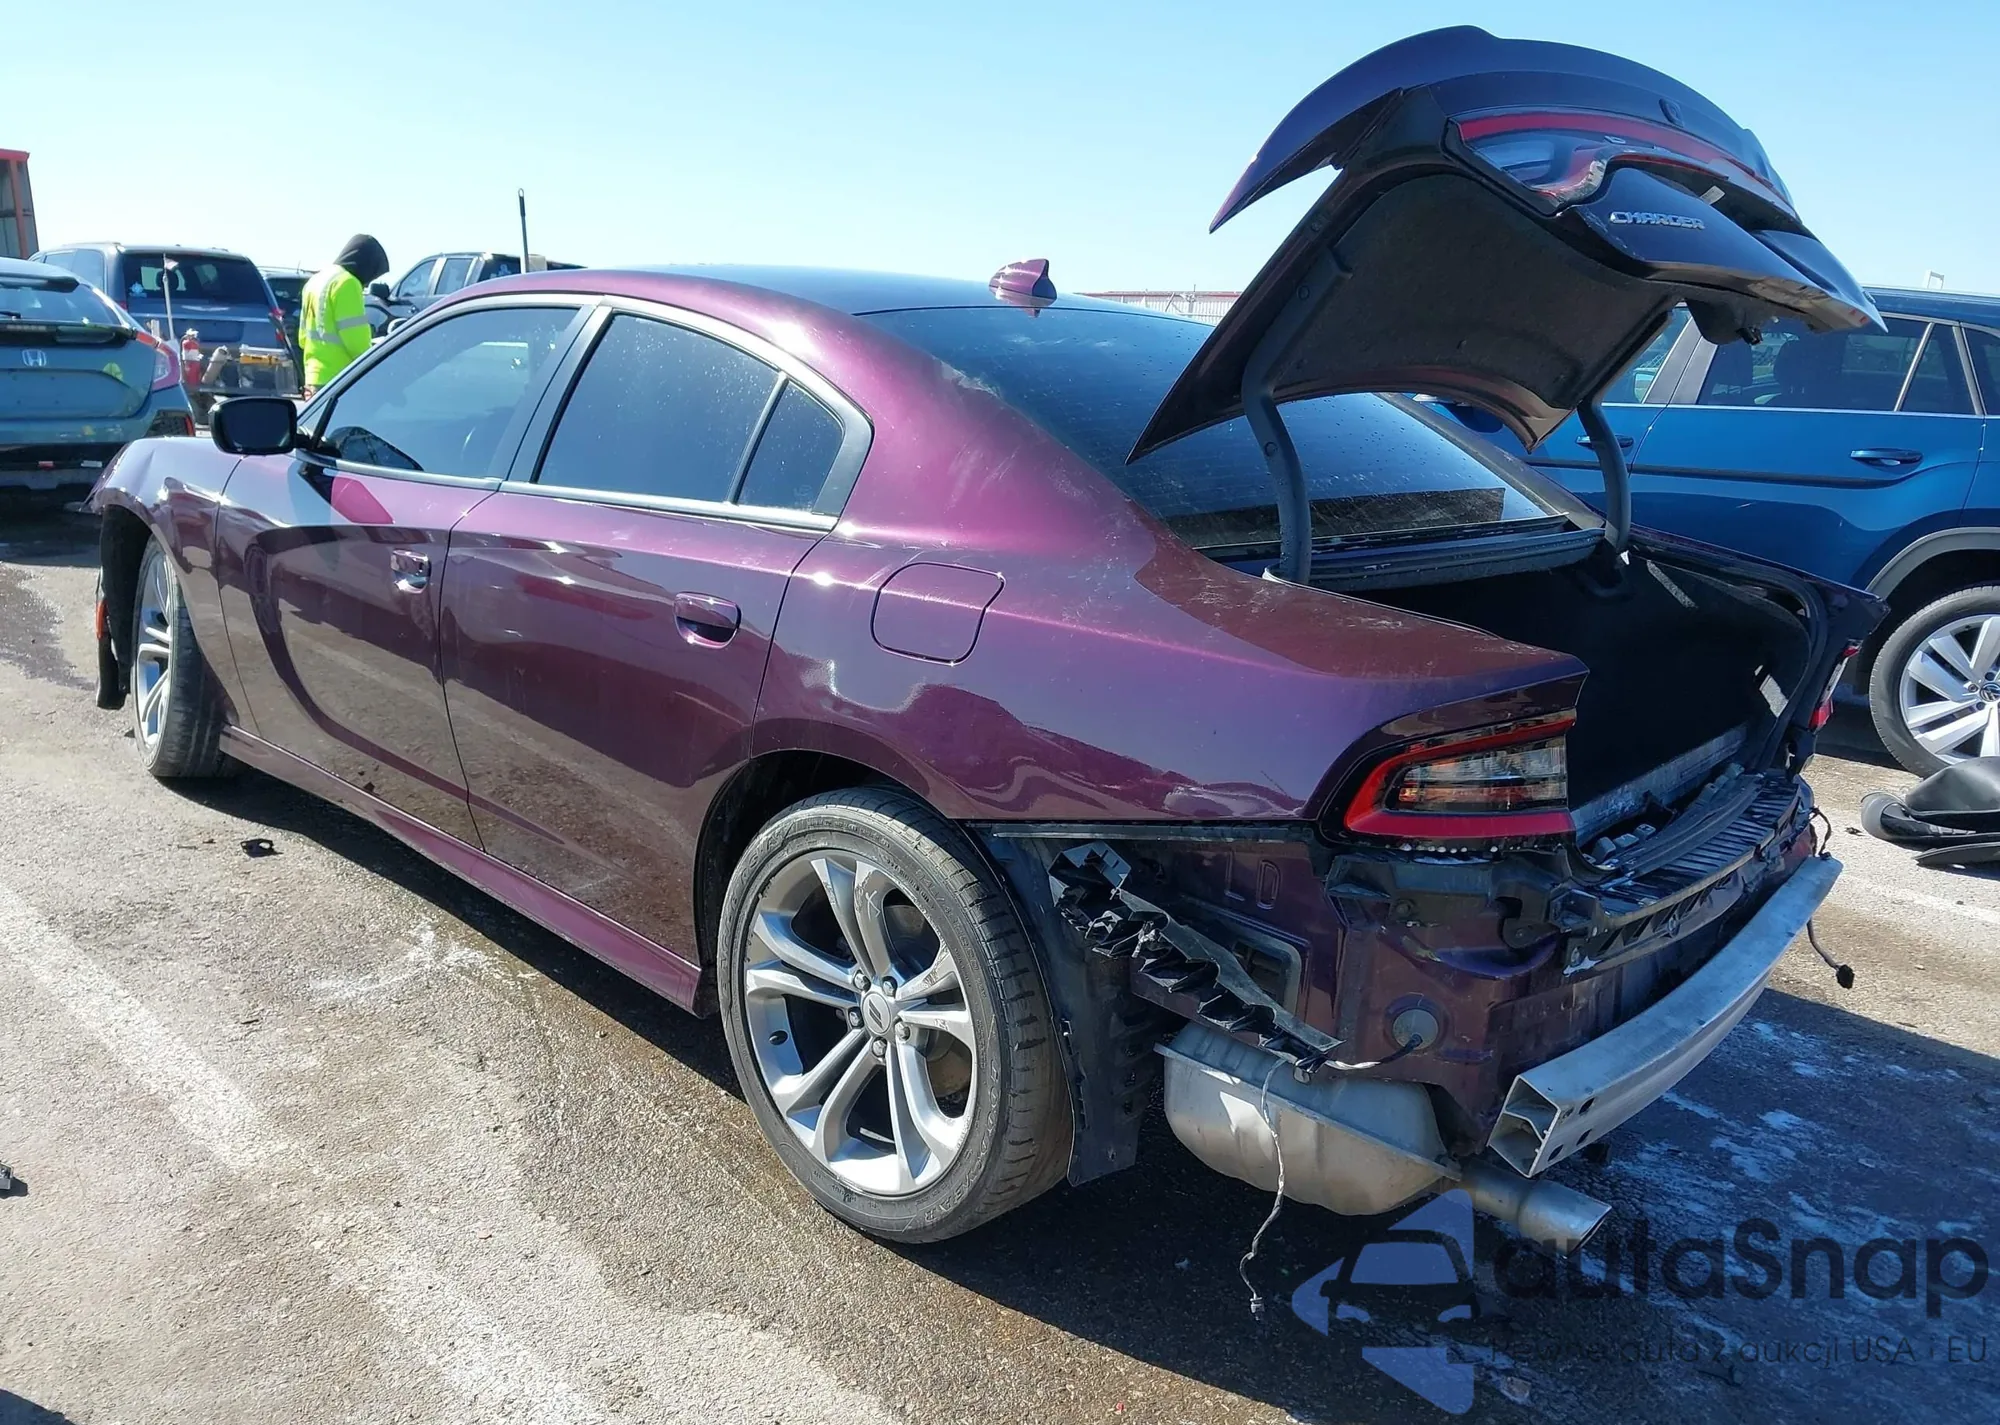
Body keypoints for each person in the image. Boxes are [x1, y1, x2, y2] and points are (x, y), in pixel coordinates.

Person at [297, 234, 388, 396]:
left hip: (313, 377)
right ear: (366, 264)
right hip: (341, 380)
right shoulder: (348, 283)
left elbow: (303, 339)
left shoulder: (314, 281)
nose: (367, 283)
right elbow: (356, 343)